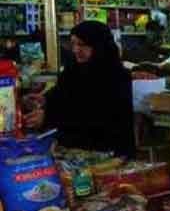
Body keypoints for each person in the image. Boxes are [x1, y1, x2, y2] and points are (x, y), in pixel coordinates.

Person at [24, 21, 136, 158]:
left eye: (82, 44)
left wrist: (48, 118)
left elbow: (95, 116)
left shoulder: (116, 76)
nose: (76, 50)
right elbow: (62, 93)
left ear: (99, 45)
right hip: (72, 150)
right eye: (73, 44)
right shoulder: (74, 69)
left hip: (108, 152)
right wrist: (44, 99)